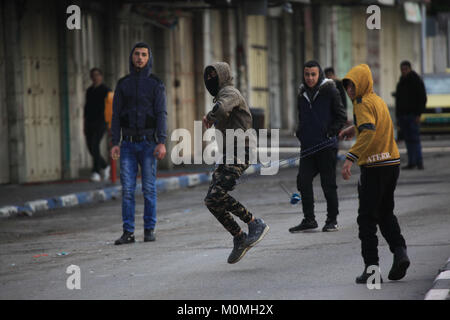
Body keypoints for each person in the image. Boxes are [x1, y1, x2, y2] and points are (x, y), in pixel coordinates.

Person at [340, 64, 410, 284]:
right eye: (348, 86)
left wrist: (350, 157)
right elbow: (374, 125)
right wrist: (355, 128)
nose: (350, 90)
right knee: (385, 212)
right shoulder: (376, 100)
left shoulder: (362, 104)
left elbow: (369, 132)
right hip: (392, 164)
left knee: (367, 219)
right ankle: (400, 253)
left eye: (353, 85)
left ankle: (371, 270)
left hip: (374, 167)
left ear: (362, 84)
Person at [203, 62, 269, 264]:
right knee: (211, 200)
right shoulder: (222, 95)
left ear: (223, 76)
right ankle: (239, 237)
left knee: (218, 193)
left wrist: (209, 117)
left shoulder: (229, 92)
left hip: (241, 150)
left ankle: (254, 223)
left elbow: (221, 110)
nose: (210, 79)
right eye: (208, 76)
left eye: (214, 75)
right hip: (228, 152)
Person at [111, 43, 167, 245]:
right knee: (127, 190)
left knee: (149, 189)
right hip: (127, 145)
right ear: (131, 57)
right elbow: (115, 115)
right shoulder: (123, 84)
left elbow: (161, 114)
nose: (140, 58)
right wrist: (114, 142)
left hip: (149, 144)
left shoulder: (156, 84)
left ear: (149, 58)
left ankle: (149, 230)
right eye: (137, 54)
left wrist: (161, 142)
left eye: (144, 54)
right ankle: (128, 233)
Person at [289, 60, 347, 233]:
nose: (310, 78)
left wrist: (331, 132)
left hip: (327, 146)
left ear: (319, 74)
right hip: (307, 146)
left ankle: (332, 220)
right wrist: (300, 132)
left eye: (313, 74)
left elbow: (341, 116)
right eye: (307, 74)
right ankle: (309, 219)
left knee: (328, 184)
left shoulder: (330, 90)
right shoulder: (302, 93)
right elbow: (302, 117)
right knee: (303, 181)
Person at [395, 60, 427, 170]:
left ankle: (419, 162)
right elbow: (398, 100)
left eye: (405, 69)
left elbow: (422, 98)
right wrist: (398, 117)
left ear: (409, 69)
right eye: (402, 70)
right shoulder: (401, 82)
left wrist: (418, 114)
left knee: (415, 139)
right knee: (408, 140)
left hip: (413, 115)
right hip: (403, 115)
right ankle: (411, 162)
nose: (403, 72)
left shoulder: (416, 80)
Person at [84, 68, 111, 182]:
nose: (95, 77)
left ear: (101, 76)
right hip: (90, 121)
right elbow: (86, 108)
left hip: (101, 122)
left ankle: (96, 172)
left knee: (95, 144)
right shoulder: (89, 90)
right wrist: (84, 123)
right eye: (93, 75)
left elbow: (111, 107)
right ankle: (105, 166)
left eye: (97, 75)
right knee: (90, 147)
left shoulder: (106, 90)